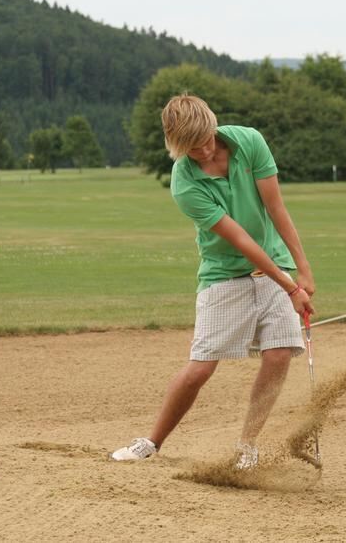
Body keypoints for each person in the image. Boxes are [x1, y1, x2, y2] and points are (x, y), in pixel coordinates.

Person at [111, 94, 315, 468]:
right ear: (177, 147)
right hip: (224, 274)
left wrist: (303, 270)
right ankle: (152, 441)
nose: (204, 151)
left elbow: (276, 208)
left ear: (213, 125)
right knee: (201, 367)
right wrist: (291, 288)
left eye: (206, 140)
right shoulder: (184, 184)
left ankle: (247, 447)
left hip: (276, 266)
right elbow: (240, 240)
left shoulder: (250, 141)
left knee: (279, 354)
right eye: (192, 148)